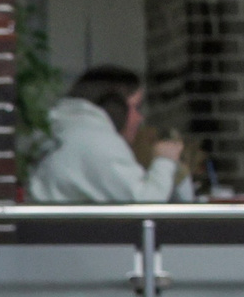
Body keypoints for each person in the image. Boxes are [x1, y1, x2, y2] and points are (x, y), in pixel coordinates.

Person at [29, 65, 184, 204]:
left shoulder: (64, 127)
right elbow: (144, 203)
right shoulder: (96, 140)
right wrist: (165, 160)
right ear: (116, 106)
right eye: (136, 107)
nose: (139, 118)